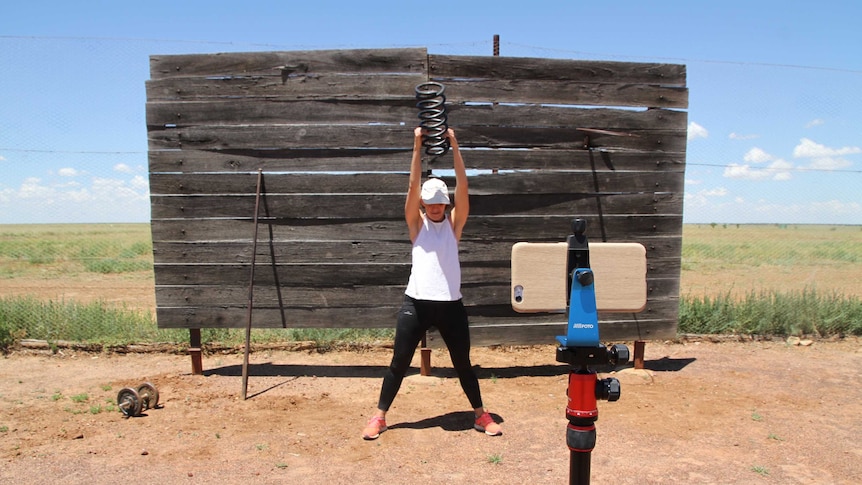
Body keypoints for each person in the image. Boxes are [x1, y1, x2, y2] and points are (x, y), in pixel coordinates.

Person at [361, 126, 502, 440]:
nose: (435, 207)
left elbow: (464, 186)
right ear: (424, 204)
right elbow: (412, 186)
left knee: (463, 363)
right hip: (417, 304)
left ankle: (480, 415)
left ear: (447, 203)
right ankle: (380, 417)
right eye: (430, 203)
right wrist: (416, 146)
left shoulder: (454, 225)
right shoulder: (417, 224)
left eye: (440, 202)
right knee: (398, 363)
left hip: (451, 306)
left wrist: (455, 146)